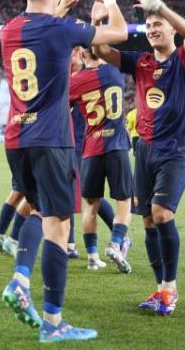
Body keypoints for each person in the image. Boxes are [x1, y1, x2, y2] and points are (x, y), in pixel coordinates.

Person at [0, 0, 126, 343]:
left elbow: (41, 31)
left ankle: (21, 279)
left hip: (16, 139)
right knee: (60, 224)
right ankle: (53, 322)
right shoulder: (60, 29)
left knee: (38, 210)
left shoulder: (7, 30)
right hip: (52, 140)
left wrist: (60, 9)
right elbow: (118, 32)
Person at [92, 0, 185, 317]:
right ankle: (160, 289)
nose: (153, 29)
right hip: (145, 150)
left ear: (170, 28)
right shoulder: (140, 62)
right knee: (150, 221)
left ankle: (170, 287)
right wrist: (101, 14)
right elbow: (99, 48)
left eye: (158, 24)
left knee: (164, 214)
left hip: (176, 151)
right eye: (149, 25)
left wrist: (162, 8)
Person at [69, 43, 134, 273]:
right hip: (117, 145)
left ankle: (92, 257)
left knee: (90, 205)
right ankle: (116, 243)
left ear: (83, 53)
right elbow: (101, 45)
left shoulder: (75, 81)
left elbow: (60, 106)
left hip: (91, 147)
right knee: (125, 201)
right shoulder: (115, 72)